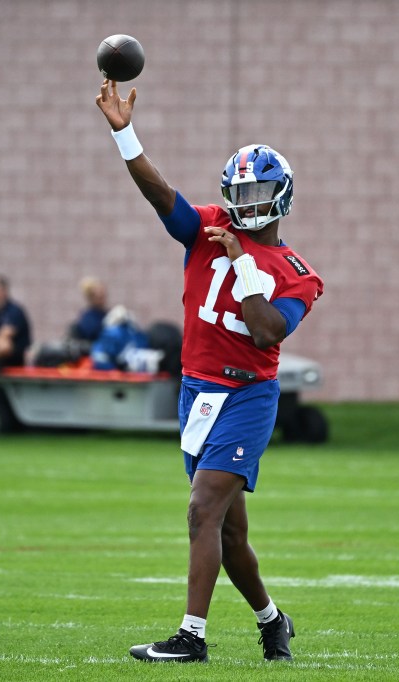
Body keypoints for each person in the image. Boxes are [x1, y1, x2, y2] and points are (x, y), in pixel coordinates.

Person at [96, 79, 324, 663]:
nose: (247, 202)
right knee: (228, 532)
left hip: (248, 396)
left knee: (201, 509)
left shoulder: (294, 269)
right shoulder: (207, 225)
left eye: (260, 190)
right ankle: (274, 621)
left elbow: (268, 329)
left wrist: (242, 262)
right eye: (240, 190)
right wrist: (124, 132)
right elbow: (159, 195)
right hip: (197, 391)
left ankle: (191, 638)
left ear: (283, 195)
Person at [70, 276, 108, 346]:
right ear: (91, 297)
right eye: (99, 296)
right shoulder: (88, 317)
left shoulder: (107, 313)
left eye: (103, 294)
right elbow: (93, 334)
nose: (102, 297)